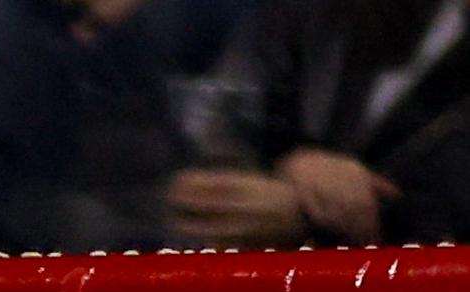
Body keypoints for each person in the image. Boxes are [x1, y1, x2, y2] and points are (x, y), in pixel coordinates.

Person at [171, 0, 470, 246]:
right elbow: (212, 139)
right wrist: (289, 169)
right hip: (286, 287)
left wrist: (315, 214)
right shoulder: (307, 16)